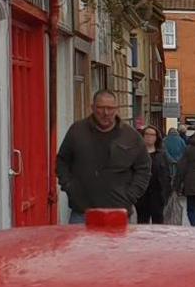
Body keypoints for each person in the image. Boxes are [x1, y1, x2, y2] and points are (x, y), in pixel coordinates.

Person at [55, 91, 149, 222]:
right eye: (101, 108)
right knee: (80, 243)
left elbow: (144, 168)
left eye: (110, 108)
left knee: (117, 244)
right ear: (92, 107)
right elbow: (62, 161)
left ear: (117, 109)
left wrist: (131, 195)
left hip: (118, 212)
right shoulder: (77, 131)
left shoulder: (131, 136)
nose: (106, 113)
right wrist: (69, 186)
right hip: (82, 212)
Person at [134, 126, 173, 224]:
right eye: (146, 134)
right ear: (142, 136)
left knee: (158, 222)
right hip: (141, 195)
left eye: (152, 135)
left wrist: (167, 192)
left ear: (156, 137)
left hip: (158, 195)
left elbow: (167, 174)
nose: (149, 137)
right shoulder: (137, 154)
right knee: (142, 222)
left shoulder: (162, 154)